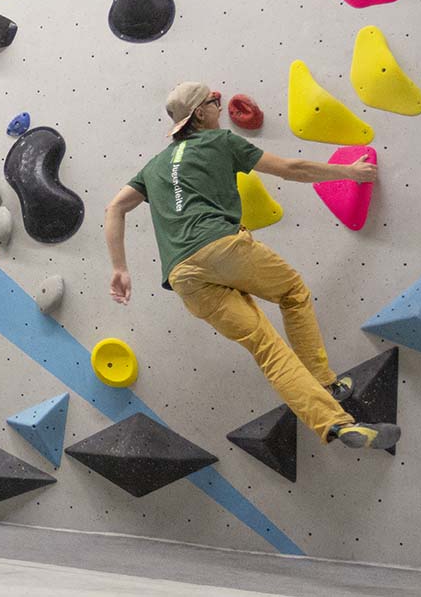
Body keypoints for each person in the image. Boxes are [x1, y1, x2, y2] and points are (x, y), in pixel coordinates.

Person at [103, 81, 400, 451]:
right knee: (292, 293)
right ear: (199, 114)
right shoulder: (222, 142)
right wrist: (349, 174)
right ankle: (325, 384)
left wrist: (120, 267)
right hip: (223, 248)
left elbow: (114, 207)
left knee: (266, 349)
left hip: (183, 277)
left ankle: (336, 425)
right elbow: (291, 169)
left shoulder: (153, 167)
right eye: (215, 101)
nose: (220, 106)